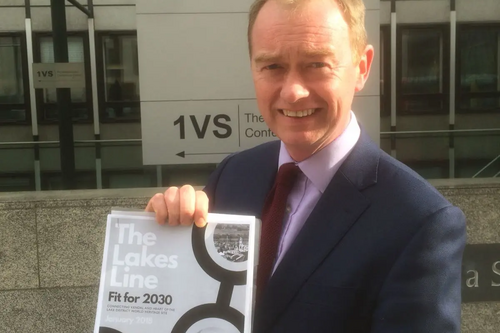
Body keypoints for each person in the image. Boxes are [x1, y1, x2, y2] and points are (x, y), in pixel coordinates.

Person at [146, 0, 466, 332]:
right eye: (272, 66)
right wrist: (162, 239)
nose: (294, 92)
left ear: (362, 67)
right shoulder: (234, 175)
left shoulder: (419, 223)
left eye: (316, 64)